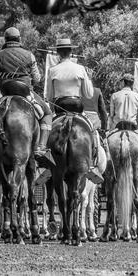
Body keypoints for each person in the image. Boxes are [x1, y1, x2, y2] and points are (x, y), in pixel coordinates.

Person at [0, 27, 52, 160]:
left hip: (4, 92)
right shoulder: (29, 55)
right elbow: (37, 78)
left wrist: (4, 81)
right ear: (19, 39)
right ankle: (41, 147)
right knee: (47, 113)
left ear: (5, 40)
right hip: (26, 93)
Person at [46, 38, 102, 181]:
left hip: (59, 108)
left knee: (46, 130)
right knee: (93, 132)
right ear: (71, 52)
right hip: (77, 107)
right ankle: (93, 161)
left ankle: (45, 163)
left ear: (58, 52)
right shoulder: (80, 69)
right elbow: (89, 94)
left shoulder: (52, 70)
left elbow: (49, 96)